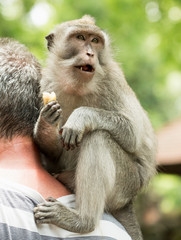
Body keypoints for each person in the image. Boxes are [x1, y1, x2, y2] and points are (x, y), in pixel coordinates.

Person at [0, 38, 132, 240]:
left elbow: (133, 139)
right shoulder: (115, 233)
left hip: (115, 181)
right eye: (79, 39)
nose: (88, 52)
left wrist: (88, 116)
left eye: (95, 42)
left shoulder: (110, 79)